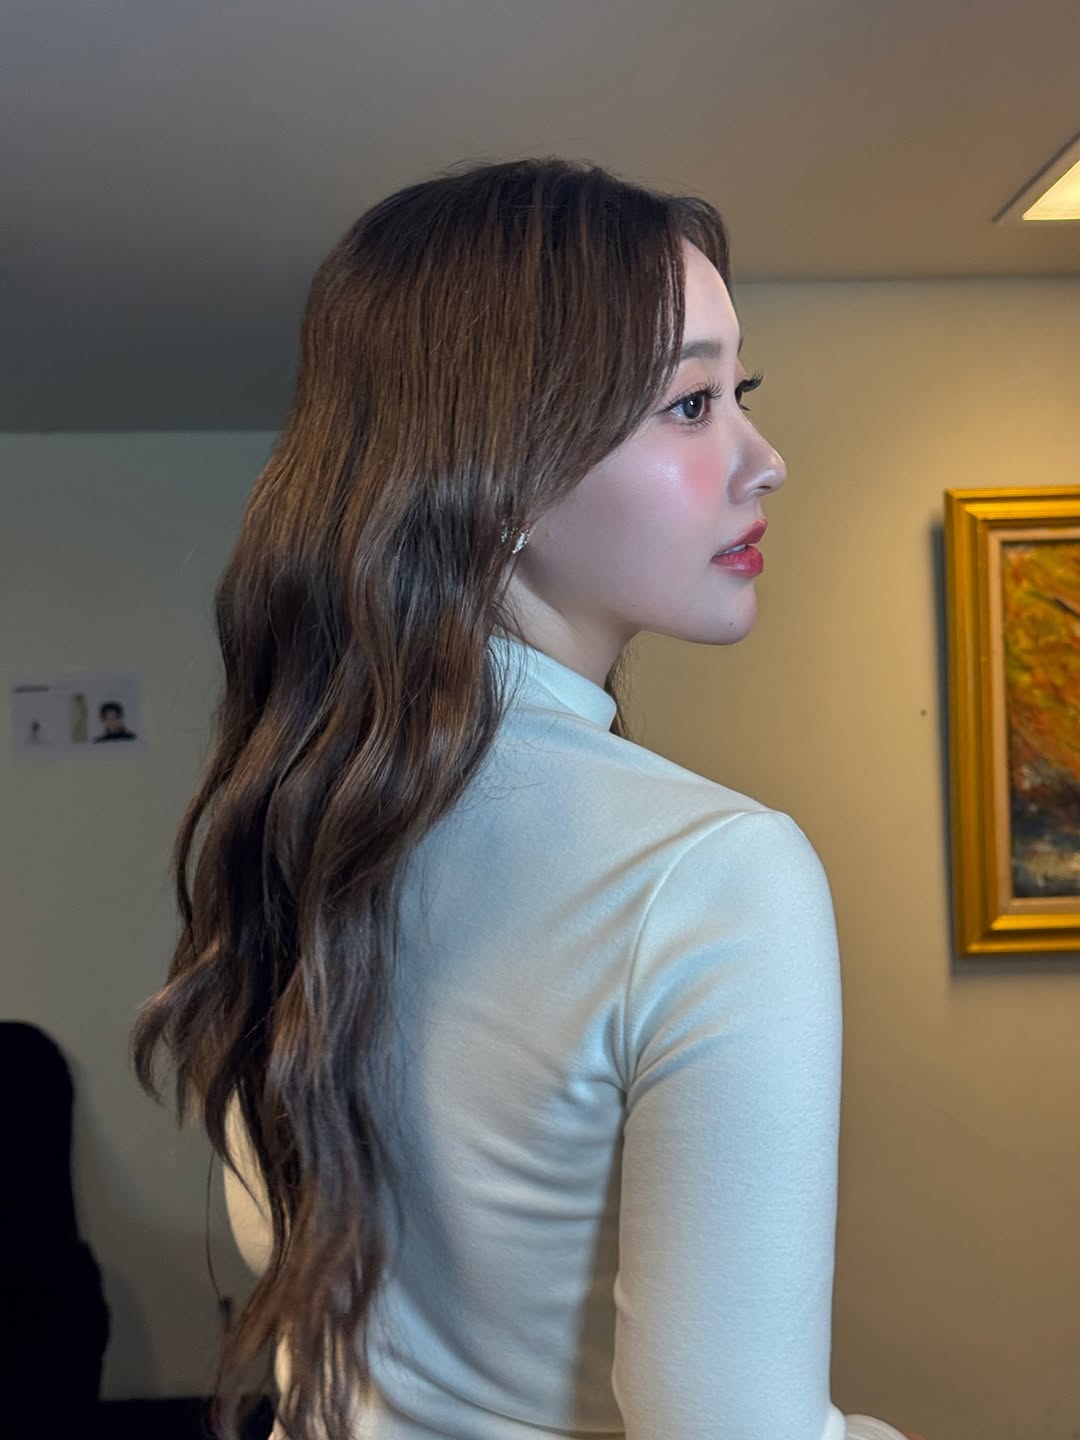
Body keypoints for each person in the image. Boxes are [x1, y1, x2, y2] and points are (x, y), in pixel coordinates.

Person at [130, 157, 924, 1440]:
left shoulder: (296, 814)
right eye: (690, 403)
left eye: (742, 395)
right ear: (502, 466)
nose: (765, 460)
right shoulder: (719, 872)